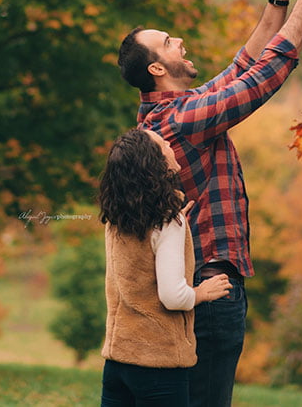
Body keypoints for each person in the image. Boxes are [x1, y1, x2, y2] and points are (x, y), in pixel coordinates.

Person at [117, 0, 302, 407]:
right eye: (168, 42)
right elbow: (264, 76)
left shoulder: (172, 109)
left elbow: (240, 67)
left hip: (205, 289)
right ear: (157, 69)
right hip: (210, 291)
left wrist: (278, 1)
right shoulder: (183, 119)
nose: (179, 40)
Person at [99, 128, 233, 407]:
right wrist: (201, 293)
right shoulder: (167, 221)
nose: (170, 145)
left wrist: (174, 230)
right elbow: (172, 297)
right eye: (163, 144)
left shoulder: (115, 218)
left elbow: (137, 265)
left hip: (118, 360)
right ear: (154, 162)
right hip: (158, 363)